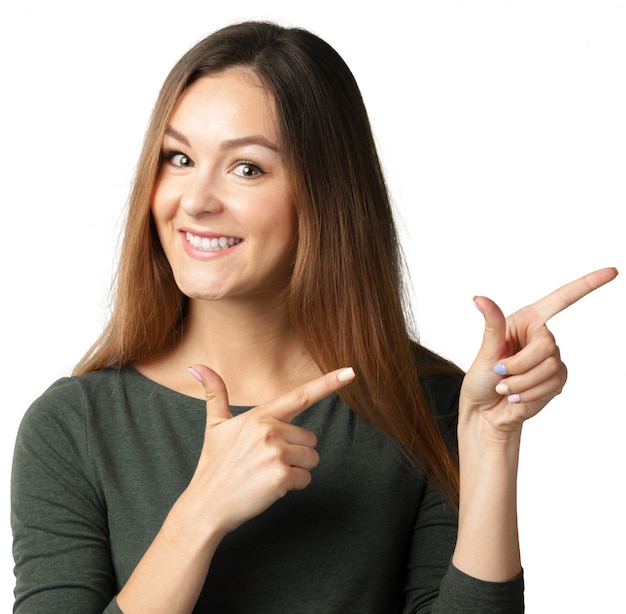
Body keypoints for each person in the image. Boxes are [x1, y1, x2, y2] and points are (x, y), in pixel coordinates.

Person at [10, 20, 617, 614]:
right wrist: (200, 515)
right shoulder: (74, 426)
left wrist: (489, 440)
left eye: (247, 167)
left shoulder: (428, 406)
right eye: (177, 158)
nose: (194, 200)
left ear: (323, 194)